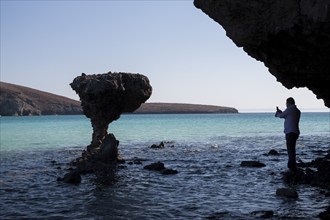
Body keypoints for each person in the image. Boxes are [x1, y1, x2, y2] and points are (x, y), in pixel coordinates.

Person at [275, 97, 301, 172]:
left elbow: (280, 115)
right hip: (295, 132)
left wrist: (278, 112)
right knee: (292, 149)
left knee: (290, 149)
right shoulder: (297, 111)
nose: (286, 105)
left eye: (286, 103)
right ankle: (293, 165)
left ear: (289, 103)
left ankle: (291, 165)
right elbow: (288, 116)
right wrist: (281, 113)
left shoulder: (289, 109)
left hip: (290, 132)